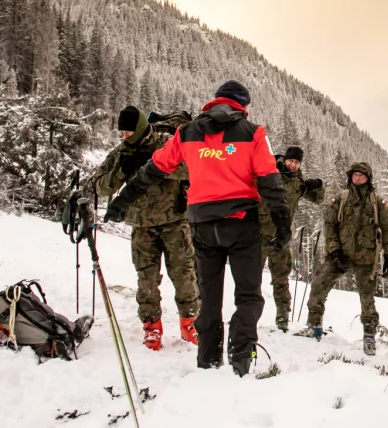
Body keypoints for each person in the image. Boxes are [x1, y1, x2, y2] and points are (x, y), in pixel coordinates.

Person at [105, 80, 291, 377]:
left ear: (216, 101)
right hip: (241, 224)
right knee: (248, 295)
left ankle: (208, 361)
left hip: (202, 224)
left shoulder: (186, 132)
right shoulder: (252, 133)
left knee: (209, 296)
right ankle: (241, 358)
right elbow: (271, 182)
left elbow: (152, 170)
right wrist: (283, 225)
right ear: (242, 104)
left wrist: (121, 201)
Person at [87, 105, 199, 351]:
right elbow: (99, 185)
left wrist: (154, 165)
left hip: (174, 220)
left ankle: (190, 322)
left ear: (139, 128)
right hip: (141, 226)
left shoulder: (166, 142)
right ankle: (152, 326)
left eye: (129, 132)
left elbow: (193, 167)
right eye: (122, 133)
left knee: (184, 275)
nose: (125, 137)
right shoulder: (121, 152)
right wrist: (123, 170)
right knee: (146, 279)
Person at [295, 161, 388, 356]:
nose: (357, 178)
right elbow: (329, 225)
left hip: (367, 259)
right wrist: (334, 251)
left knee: (367, 299)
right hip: (340, 255)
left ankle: (369, 336)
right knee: (318, 286)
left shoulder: (378, 203)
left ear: (368, 178)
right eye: (354, 175)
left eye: (361, 175)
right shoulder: (341, 198)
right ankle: (314, 326)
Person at [258, 146, 325, 332]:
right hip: (260, 234)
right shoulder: (269, 172)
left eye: (297, 162)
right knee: (251, 279)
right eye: (291, 161)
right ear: (285, 160)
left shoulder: (299, 183)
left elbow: (319, 200)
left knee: (281, 278)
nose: (293, 165)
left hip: (283, 237)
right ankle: (247, 314)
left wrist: (318, 186)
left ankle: (283, 315)